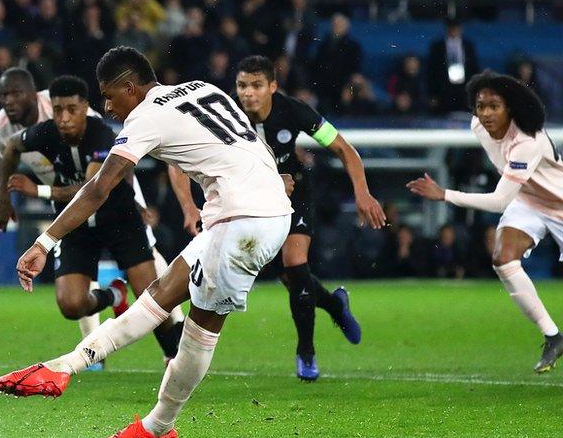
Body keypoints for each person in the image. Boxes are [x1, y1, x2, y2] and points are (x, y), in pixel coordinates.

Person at [0, 46, 293, 438]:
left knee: (198, 332)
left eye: (109, 96)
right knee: (160, 296)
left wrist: (45, 241)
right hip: (252, 213)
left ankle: (152, 423)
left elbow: (98, 187)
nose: (106, 106)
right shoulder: (204, 89)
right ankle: (69, 367)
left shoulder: (146, 116)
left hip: (243, 223)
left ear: (130, 88)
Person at [0, 68, 183, 364]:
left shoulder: (97, 129)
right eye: (4, 95)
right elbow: (10, 154)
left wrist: (37, 191)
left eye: (16, 93)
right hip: (71, 211)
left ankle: (176, 350)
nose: (64, 117)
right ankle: (101, 333)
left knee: (149, 286)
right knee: (70, 302)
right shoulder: (15, 130)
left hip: (114, 205)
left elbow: (95, 188)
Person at [226, 55, 385, 380]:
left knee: (295, 262)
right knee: (289, 277)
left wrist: (362, 192)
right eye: (242, 85)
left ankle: (306, 353)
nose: (248, 93)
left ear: (273, 86)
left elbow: (343, 148)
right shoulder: (227, 115)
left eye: (256, 86)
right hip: (255, 197)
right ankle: (334, 306)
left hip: (295, 192)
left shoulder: (294, 111)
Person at [408, 71, 563, 373]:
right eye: (481, 106)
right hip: (528, 200)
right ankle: (553, 336)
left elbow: (499, 201)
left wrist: (444, 195)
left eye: (495, 106)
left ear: (510, 108)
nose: (487, 113)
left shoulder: (527, 141)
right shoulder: (477, 126)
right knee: (503, 259)